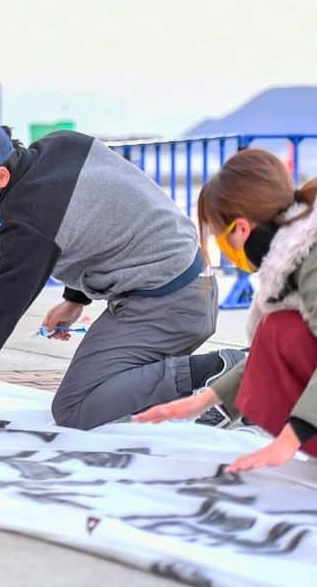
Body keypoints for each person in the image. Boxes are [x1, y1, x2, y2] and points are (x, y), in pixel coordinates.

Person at [0, 119, 241, 431]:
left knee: (76, 407)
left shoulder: (28, 221)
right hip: (188, 280)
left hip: (168, 304)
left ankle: (219, 373)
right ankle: (218, 375)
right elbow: (106, 215)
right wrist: (73, 300)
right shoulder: (63, 145)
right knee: (110, 387)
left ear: (0, 177)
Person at [136, 149, 317, 471]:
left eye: (220, 235)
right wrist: (203, 400)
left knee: (284, 330)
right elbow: (267, 348)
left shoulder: (312, 259)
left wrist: (289, 440)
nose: (222, 245)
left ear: (242, 229)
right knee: (277, 328)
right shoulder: (295, 253)